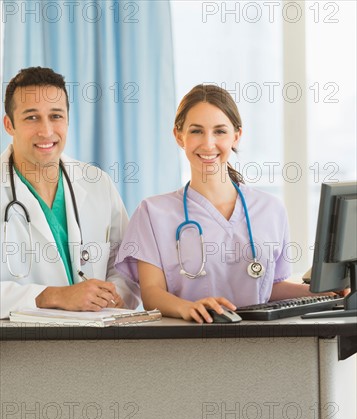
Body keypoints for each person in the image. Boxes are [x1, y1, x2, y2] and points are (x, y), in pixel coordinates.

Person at [115, 84, 334, 324]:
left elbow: (269, 288)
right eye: (197, 131)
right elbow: (151, 293)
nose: (208, 144)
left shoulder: (270, 209)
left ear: (236, 136)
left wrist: (323, 294)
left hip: (265, 346)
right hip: (186, 343)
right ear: (179, 136)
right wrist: (188, 308)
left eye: (220, 131)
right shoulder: (152, 213)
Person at [0, 67, 140, 318]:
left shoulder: (97, 183)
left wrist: (115, 293)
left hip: (97, 344)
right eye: (31, 117)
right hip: (17, 348)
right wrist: (52, 296)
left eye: (56, 116)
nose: (46, 131)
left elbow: (126, 263)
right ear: (9, 124)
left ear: (67, 119)